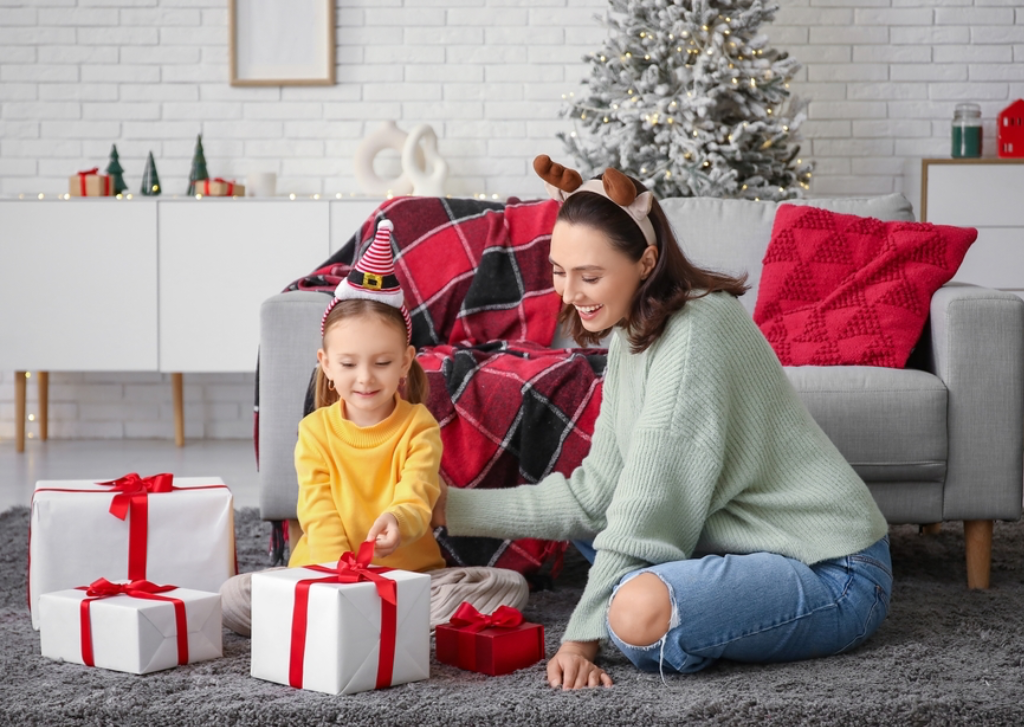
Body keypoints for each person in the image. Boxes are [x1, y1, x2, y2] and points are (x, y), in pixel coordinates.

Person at [431, 156, 893, 690]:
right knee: (610, 537)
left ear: (646, 261)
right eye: (559, 271)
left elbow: (647, 506)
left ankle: (662, 600)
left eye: (591, 276)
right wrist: (447, 507)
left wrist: (581, 638)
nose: (568, 293)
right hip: (738, 546)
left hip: (833, 572)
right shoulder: (635, 331)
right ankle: (673, 592)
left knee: (634, 614)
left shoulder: (696, 330)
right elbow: (597, 495)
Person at [220, 220, 527, 635]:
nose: (365, 378)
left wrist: (400, 522)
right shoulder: (314, 430)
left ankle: (355, 623)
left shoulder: (418, 426)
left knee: (505, 586)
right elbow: (317, 508)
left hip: (407, 581)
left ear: (405, 362)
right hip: (326, 575)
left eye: (382, 363)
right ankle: (364, 620)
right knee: (234, 595)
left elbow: (418, 494)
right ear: (326, 365)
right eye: (348, 364)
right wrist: (339, 578)